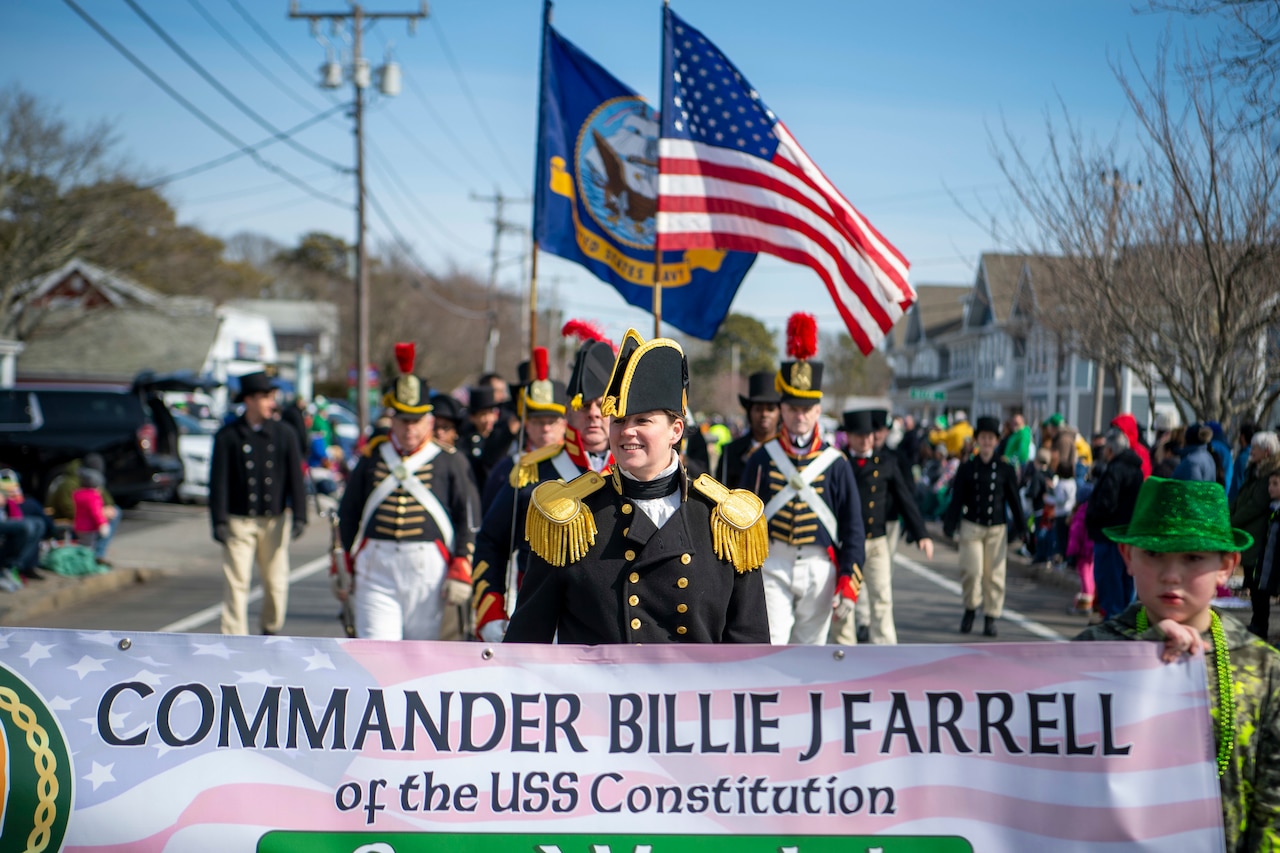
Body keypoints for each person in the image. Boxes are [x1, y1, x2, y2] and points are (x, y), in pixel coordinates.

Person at [504, 328, 769, 644]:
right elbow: (528, 642)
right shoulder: (568, 518)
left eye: (642, 420)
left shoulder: (724, 520)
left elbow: (749, 649)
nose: (626, 432)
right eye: (618, 421)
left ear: (676, 430)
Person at [1075, 477, 1280, 852]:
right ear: (1127, 556)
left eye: (1193, 557)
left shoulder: (1265, 671)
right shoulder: (1090, 655)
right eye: (1154, 554)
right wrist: (1138, 662)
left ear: (1227, 565)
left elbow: (1273, 808)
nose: (1171, 574)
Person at [472, 331, 615, 642]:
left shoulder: (633, 471)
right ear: (569, 412)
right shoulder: (530, 470)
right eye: (583, 404)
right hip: (540, 623)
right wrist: (491, 611)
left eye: (602, 405)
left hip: (611, 627)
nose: (592, 413)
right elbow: (491, 543)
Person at [337, 343, 478, 641]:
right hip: (376, 565)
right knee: (376, 653)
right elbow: (349, 511)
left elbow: (466, 517)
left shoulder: (450, 460)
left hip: (426, 568)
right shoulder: (373, 456)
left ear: (429, 420)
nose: (409, 429)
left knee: (417, 657)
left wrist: (461, 565)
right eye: (402, 420)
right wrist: (342, 564)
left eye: (416, 421)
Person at [742, 313, 864, 645]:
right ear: (782, 409)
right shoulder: (761, 459)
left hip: (818, 566)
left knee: (813, 651)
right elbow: (740, 517)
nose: (799, 415)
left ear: (817, 411)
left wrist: (848, 582)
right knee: (772, 643)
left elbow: (853, 527)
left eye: (806, 408)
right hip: (773, 562)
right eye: (793, 407)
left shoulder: (836, 463)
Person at [208, 370, 308, 635]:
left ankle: (270, 629)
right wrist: (218, 520)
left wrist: (300, 515)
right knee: (236, 583)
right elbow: (218, 481)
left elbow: (296, 478)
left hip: (274, 522)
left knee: (276, 583)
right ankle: (234, 639)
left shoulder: (284, 434)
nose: (271, 403)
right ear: (249, 400)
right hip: (238, 520)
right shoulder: (228, 436)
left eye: (271, 397)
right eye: (265, 397)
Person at [837, 409, 933, 645]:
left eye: (869, 434)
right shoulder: (838, 464)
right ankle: (842, 650)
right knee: (843, 601)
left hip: (877, 541)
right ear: (848, 436)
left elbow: (904, 499)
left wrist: (921, 533)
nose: (865, 440)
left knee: (881, 596)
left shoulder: (886, 463)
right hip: (847, 544)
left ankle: (885, 650)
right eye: (859, 435)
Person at [943, 416, 1027, 637]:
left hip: (997, 530)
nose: (987, 442)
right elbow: (957, 498)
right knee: (971, 571)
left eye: (991, 438)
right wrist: (949, 525)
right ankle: (970, 608)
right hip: (971, 527)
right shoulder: (967, 468)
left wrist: (1023, 529)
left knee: (995, 575)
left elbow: (1014, 501)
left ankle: (991, 617)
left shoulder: (1005, 469)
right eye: (983, 437)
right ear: (977, 440)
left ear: (997, 441)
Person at [1086, 427, 1146, 620]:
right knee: (1125, 580)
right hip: (1128, 534)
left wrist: (1092, 516)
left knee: (1109, 582)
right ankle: (1126, 621)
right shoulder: (1136, 470)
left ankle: (1114, 621)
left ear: (1111, 449)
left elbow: (1106, 503)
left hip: (1109, 533)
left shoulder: (1114, 470)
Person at [1230, 431, 1280, 638]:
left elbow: (1255, 504)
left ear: (1266, 451)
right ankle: (1257, 622)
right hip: (1251, 533)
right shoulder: (1256, 470)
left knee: (1259, 585)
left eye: (1255, 448)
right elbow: (1244, 497)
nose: (1251, 451)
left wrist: (1232, 521)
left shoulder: (1270, 473)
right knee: (1253, 581)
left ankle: (1260, 625)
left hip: (1259, 535)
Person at [47, 453, 119, 560]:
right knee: (88, 541)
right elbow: (68, 508)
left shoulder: (94, 482)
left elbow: (107, 499)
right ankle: (91, 558)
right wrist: (97, 513)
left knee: (117, 512)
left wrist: (108, 509)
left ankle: (98, 555)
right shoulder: (69, 483)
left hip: (90, 517)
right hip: (71, 519)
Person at [717, 371, 781, 488]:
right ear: (749, 412)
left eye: (770, 409)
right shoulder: (730, 452)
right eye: (758, 409)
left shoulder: (788, 451)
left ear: (780, 413)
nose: (764, 414)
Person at [1253, 468, 1280, 641]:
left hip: (1276, 564)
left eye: (1275, 484)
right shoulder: (1271, 509)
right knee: (1260, 593)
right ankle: (1259, 626)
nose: (1270, 488)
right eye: (1270, 483)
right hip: (1267, 563)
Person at [72, 467, 111, 553]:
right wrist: (102, 524)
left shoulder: (78, 494)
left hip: (79, 526)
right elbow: (96, 512)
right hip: (89, 527)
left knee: (83, 545)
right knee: (89, 548)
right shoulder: (93, 497)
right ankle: (87, 562)